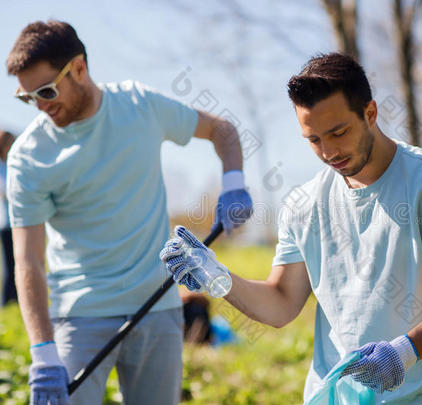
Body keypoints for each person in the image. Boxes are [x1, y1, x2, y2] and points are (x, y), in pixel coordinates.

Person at [162, 52, 422, 404]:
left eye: (338, 132)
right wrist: (218, 277)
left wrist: (405, 352)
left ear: (370, 113)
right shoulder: (304, 205)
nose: (328, 151)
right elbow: (281, 304)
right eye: (313, 139)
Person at [6, 20, 252, 405]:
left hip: (158, 304)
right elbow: (27, 261)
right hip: (79, 314)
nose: (40, 105)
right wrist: (42, 353)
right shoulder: (29, 157)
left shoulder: (140, 106)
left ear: (80, 69)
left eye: (47, 91)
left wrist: (234, 180)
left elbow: (221, 130)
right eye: (28, 98)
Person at [0, 130, 17, 306]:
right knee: (10, 268)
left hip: (21, 223)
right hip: (7, 225)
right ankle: (8, 302)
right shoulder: (1, 168)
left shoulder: (16, 164)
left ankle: (18, 300)